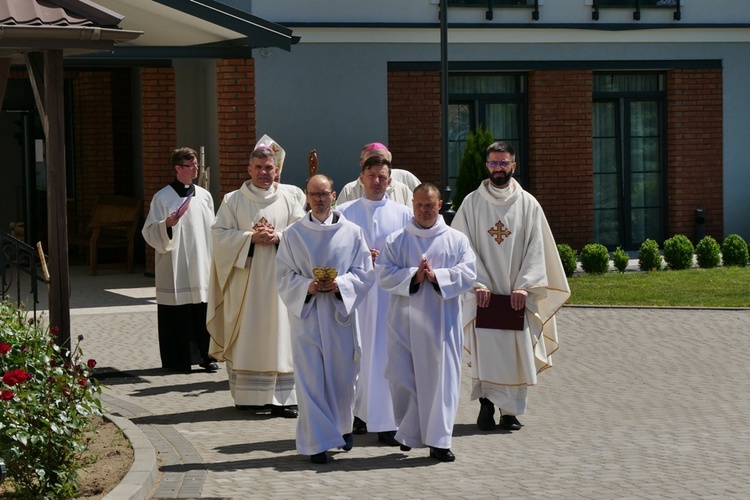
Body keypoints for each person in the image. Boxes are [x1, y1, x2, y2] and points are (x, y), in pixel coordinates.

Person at [451, 141, 570, 431]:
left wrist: (526, 287)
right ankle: (486, 405)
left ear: (513, 166)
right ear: (486, 166)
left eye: (504, 163)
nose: (498, 168)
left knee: (516, 352)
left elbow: (537, 247)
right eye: (493, 163)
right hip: (484, 295)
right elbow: (461, 246)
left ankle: (510, 412)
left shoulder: (528, 204)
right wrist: (476, 283)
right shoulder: (471, 203)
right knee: (487, 350)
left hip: (517, 294)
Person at [276, 174, 375, 464]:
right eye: (314, 194)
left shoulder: (353, 232)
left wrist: (341, 285)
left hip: (339, 316)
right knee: (310, 381)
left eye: (324, 194)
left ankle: (343, 430)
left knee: (343, 378)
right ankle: (317, 443)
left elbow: (364, 272)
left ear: (334, 196)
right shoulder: (293, 234)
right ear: (306, 197)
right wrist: (307, 286)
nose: (319, 199)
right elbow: (282, 276)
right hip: (307, 318)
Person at [375, 183, 476, 462]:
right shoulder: (397, 240)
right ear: (412, 204)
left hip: (442, 325)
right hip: (404, 322)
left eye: (429, 205)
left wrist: (437, 277)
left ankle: (439, 441)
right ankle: (410, 433)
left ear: (439, 205)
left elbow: (468, 273)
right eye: (419, 205)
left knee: (441, 383)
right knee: (402, 378)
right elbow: (383, 274)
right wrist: (414, 276)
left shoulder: (456, 239)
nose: (424, 210)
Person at [207, 140, 305, 418]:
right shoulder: (233, 200)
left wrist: (280, 237)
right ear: (249, 169)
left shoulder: (290, 198)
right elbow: (218, 236)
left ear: (277, 170)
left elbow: (302, 233)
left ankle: (284, 399)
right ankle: (249, 397)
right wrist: (250, 239)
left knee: (282, 336)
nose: (264, 172)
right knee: (249, 334)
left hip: (282, 283)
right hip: (245, 286)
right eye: (259, 167)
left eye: (269, 168)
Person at [337, 154, 412, 445]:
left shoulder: (404, 214)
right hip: (356, 298)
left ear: (390, 180)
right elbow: (333, 251)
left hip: (389, 300)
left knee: (385, 357)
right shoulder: (344, 212)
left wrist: (386, 260)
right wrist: (361, 258)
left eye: (383, 177)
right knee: (356, 355)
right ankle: (356, 414)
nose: (377, 181)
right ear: (362, 179)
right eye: (372, 176)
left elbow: (411, 253)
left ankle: (386, 422)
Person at [141, 147, 217, 373]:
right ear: (177, 168)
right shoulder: (162, 197)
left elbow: (213, 228)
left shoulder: (204, 196)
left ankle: (207, 356)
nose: (195, 169)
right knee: (178, 312)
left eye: (196, 165)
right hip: (174, 262)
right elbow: (149, 230)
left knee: (202, 310)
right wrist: (166, 225)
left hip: (201, 262)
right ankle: (178, 360)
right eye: (190, 165)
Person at [335, 143, 415, 207]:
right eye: (373, 162)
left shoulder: (403, 189)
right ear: (363, 164)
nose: (376, 181)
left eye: (382, 161)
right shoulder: (349, 190)